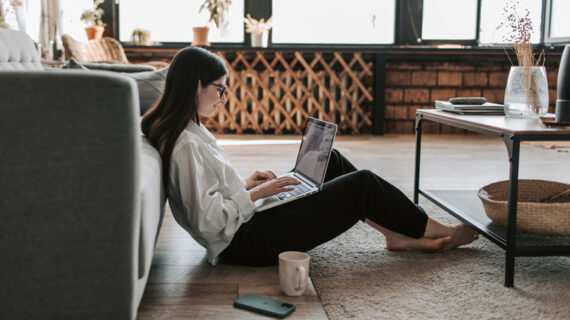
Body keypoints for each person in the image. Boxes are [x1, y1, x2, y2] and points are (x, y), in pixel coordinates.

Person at [141, 47, 479, 267]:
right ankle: (435, 229)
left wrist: (247, 184)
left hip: (246, 223)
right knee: (362, 184)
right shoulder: (185, 143)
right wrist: (257, 195)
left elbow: (207, 194)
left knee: (331, 160)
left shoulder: (190, 129)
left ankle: (394, 233)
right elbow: (208, 222)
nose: (224, 98)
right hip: (243, 243)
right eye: (221, 89)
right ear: (197, 86)